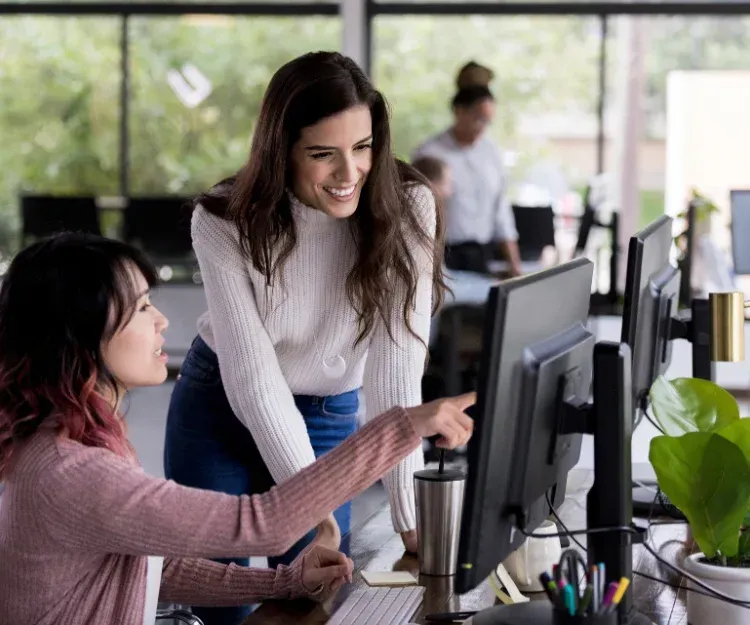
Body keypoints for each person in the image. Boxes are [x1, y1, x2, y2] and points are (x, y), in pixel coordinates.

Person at [0, 233, 475, 625]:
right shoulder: (70, 470)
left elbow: (147, 568)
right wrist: (404, 425)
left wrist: (283, 583)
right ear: (81, 332)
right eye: (142, 307)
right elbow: (263, 525)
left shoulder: (82, 436)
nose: (162, 320)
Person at [163, 51, 448, 625]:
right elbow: (255, 382)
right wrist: (313, 503)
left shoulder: (409, 206)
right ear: (281, 150)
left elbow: (397, 364)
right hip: (219, 406)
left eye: (363, 148)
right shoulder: (223, 220)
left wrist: (409, 516)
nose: (349, 174)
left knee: (311, 598)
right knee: (221, 602)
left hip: (326, 414)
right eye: (323, 155)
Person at [412, 61, 522, 277]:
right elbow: (418, 213)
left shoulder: (491, 152)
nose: (482, 129)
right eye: (478, 119)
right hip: (442, 256)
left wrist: (514, 264)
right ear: (459, 111)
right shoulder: (430, 154)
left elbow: (501, 211)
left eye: (488, 122)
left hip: (483, 255)